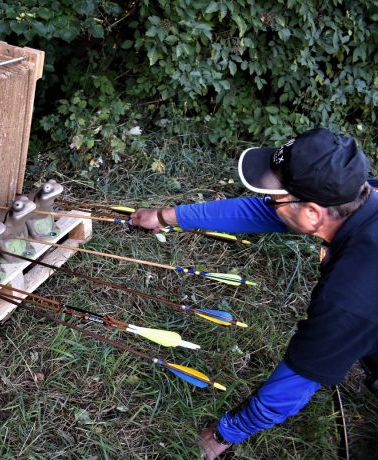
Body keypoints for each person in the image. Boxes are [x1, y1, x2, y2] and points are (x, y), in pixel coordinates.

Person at [129, 127, 378, 459]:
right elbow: (262, 212)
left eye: (278, 198)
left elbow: (294, 382)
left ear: (313, 213)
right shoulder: (362, 192)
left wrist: (224, 434)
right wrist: (167, 216)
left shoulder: (348, 298)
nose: (272, 204)